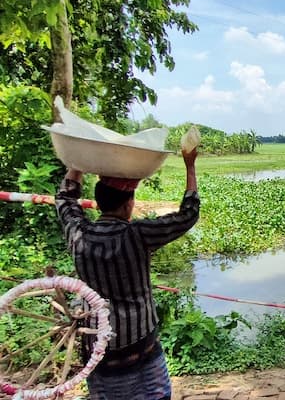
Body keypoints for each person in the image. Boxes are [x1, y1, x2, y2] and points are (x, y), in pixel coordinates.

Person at [55, 148, 200, 400]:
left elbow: (65, 198)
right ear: (128, 204)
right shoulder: (137, 235)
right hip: (141, 348)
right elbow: (188, 215)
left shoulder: (78, 234)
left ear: (99, 203)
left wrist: (77, 160)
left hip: (98, 348)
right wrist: (190, 165)